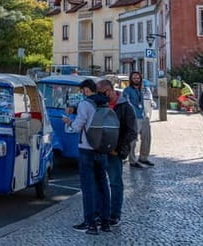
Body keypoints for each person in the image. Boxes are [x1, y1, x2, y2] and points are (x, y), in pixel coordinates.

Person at [63, 79, 111, 235]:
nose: (82, 93)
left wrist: (68, 122)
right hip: (102, 148)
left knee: (88, 187)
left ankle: (90, 224)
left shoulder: (85, 104)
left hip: (87, 148)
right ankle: (105, 222)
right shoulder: (104, 102)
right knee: (103, 186)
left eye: (82, 90)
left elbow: (77, 127)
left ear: (86, 90)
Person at [96, 79, 137, 227]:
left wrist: (119, 149)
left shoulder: (125, 106)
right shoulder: (100, 104)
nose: (99, 96)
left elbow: (132, 131)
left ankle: (115, 214)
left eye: (101, 93)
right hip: (100, 149)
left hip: (114, 152)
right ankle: (102, 213)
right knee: (100, 183)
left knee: (115, 183)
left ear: (109, 90)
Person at [125, 71, 153, 168]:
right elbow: (127, 103)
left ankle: (143, 158)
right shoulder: (127, 90)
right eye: (134, 78)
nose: (136, 79)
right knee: (133, 140)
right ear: (131, 79)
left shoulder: (143, 90)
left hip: (144, 116)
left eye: (138, 78)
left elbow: (148, 100)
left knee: (147, 138)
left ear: (140, 79)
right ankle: (132, 160)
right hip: (134, 118)